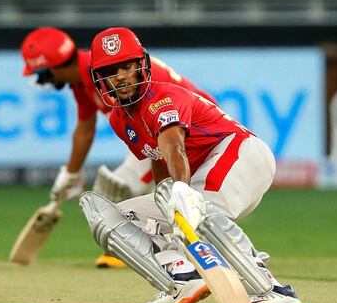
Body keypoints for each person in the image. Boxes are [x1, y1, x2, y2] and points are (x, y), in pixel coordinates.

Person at [77, 27, 303, 303]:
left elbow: (173, 147)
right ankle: (181, 279)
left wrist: (181, 190)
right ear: (100, 78)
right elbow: (158, 157)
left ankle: (270, 288)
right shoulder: (121, 120)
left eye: (127, 66)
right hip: (200, 176)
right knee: (114, 219)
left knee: (196, 210)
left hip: (240, 154)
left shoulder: (162, 98)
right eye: (111, 70)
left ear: (141, 66)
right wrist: (167, 195)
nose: (120, 76)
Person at [20, 27, 216, 268]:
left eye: (42, 75)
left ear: (54, 68)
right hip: (154, 132)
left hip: (184, 128)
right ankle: (159, 249)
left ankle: (141, 251)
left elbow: (165, 113)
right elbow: (85, 131)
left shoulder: (108, 68)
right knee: (137, 189)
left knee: (119, 186)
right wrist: (70, 174)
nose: (43, 81)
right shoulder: (85, 80)